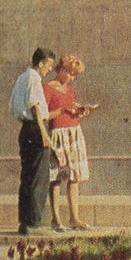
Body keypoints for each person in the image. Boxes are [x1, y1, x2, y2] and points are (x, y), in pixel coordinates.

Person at [9, 47, 56, 235]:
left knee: (27, 177)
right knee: (39, 177)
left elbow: (13, 105)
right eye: (49, 65)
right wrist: (43, 133)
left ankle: (24, 221)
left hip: (26, 128)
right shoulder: (34, 79)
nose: (49, 70)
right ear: (41, 63)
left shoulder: (22, 78)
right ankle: (34, 222)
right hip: (37, 129)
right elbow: (35, 106)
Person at [44, 55, 93, 231]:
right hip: (57, 133)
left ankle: (75, 218)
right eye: (71, 74)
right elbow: (44, 115)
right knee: (56, 177)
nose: (72, 78)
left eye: (75, 75)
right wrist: (62, 110)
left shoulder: (70, 90)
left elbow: (71, 109)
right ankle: (56, 219)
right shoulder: (48, 88)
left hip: (74, 132)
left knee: (74, 176)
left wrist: (80, 111)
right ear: (63, 69)